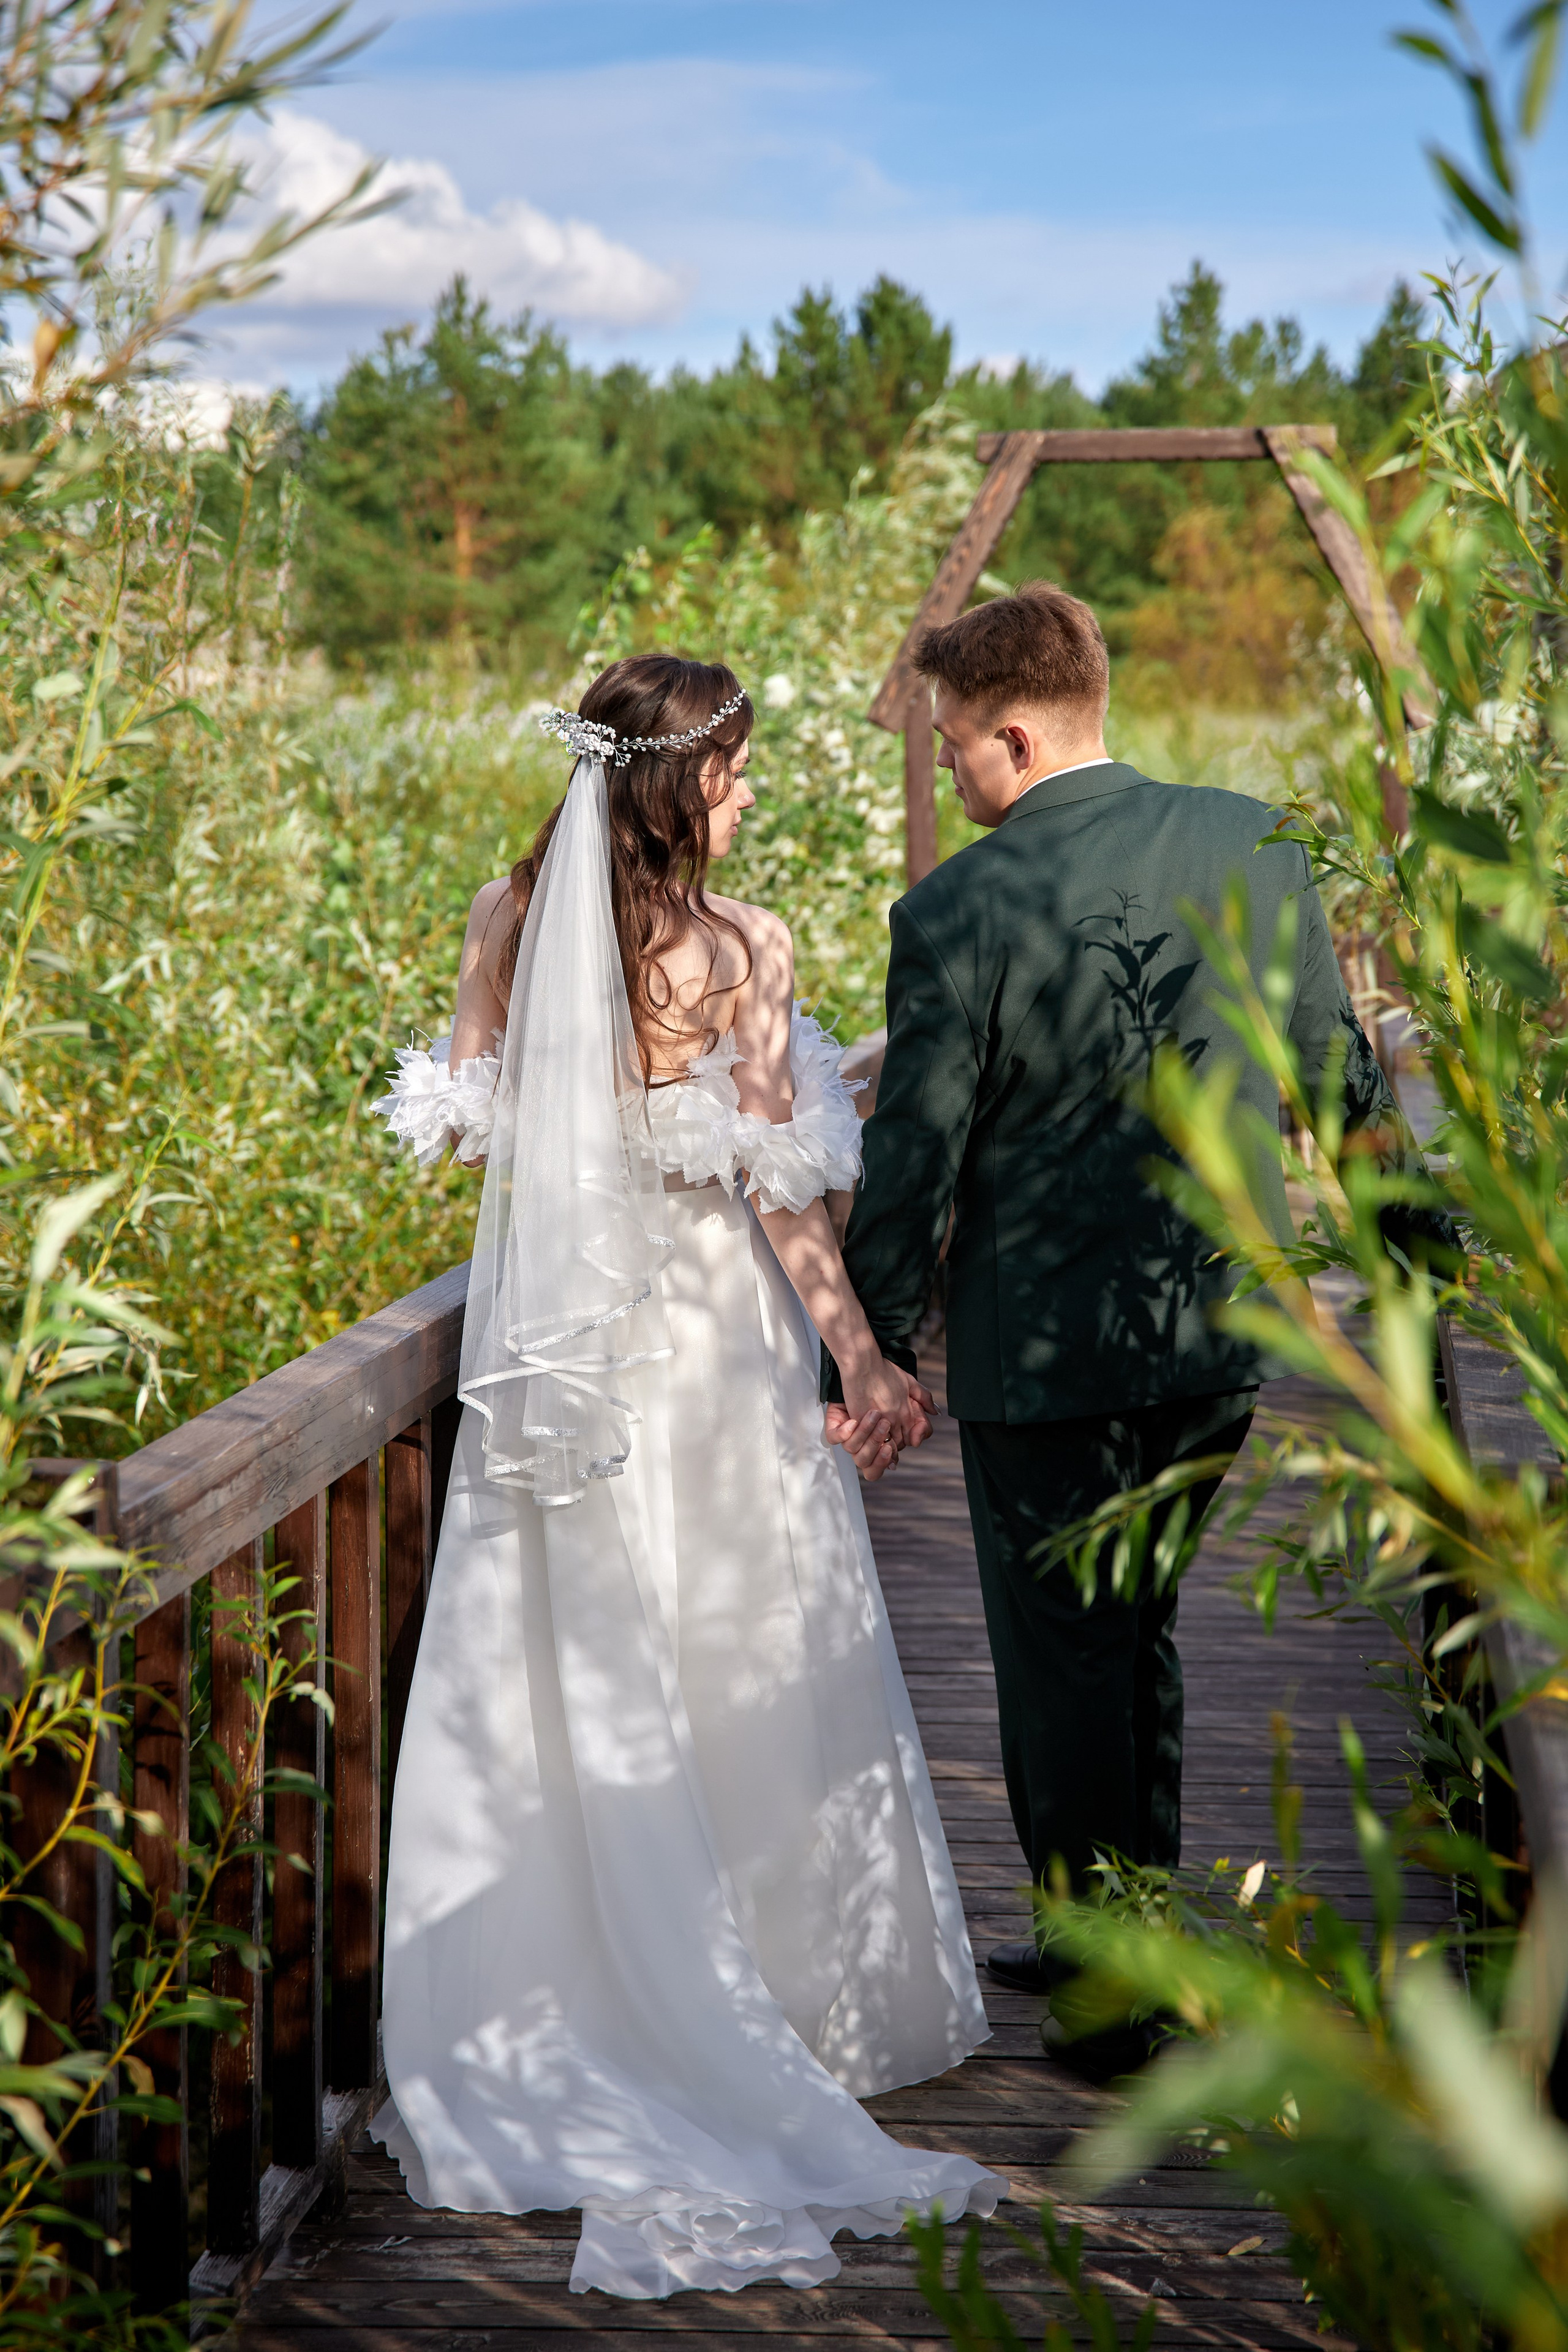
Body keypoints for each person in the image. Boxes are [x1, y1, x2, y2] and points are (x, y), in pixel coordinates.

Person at [368, 654, 1000, 2301]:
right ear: (664, 780)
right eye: (727, 769)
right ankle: (782, 1995)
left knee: (573, 1662)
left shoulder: (507, 924)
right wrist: (858, 1356)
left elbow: (470, 1131)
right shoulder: (742, 951)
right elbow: (791, 1200)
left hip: (565, 1356)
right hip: (712, 1349)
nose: (743, 791)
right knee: (738, 1640)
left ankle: (561, 1988)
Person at [833, 582, 1444, 2011]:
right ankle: (1109, 1939)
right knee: (1131, 1631)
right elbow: (1333, 1083)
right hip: (1213, 1334)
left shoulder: (953, 908)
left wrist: (854, 1352)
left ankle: (1111, 1987)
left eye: (951, 745)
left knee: (1062, 1657)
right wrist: (1414, 1268)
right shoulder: (1254, 846)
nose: (945, 768)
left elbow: (910, 1156)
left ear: (1020, 736)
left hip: (1039, 1355)